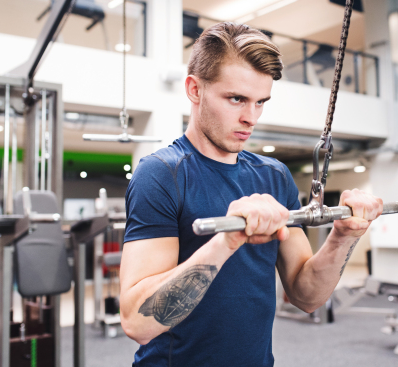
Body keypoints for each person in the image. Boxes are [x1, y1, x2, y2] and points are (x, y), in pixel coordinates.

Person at [120, 22, 383, 366]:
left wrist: (343, 237)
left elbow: (307, 295)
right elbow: (136, 321)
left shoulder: (273, 176)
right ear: (194, 89)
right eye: (236, 99)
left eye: (261, 102)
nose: (251, 117)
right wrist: (228, 240)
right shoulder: (161, 174)